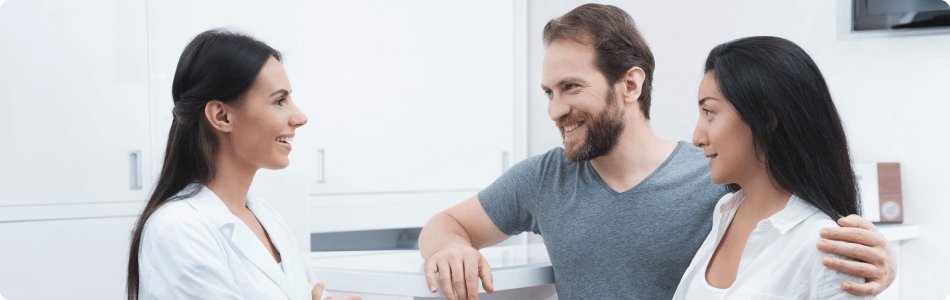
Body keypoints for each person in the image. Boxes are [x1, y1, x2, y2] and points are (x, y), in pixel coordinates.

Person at [418, 4, 895, 300]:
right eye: (548, 92)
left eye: (571, 87)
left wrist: (881, 265)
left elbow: (797, 222)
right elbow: (444, 224)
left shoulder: (716, 181)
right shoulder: (543, 179)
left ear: (630, 83)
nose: (556, 110)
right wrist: (452, 248)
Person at [125, 29, 360, 300]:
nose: (299, 117)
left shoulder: (267, 218)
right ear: (222, 116)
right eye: (279, 101)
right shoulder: (179, 229)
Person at [673, 36, 874, 299]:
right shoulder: (725, 213)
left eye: (709, 112)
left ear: (766, 119)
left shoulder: (827, 249)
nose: (697, 138)